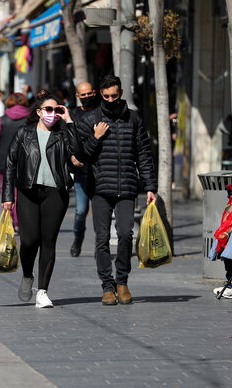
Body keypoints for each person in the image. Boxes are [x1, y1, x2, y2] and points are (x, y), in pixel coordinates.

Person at [75, 75, 157, 306]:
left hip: (127, 186)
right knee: (101, 238)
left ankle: (122, 281)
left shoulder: (133, 118)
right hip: (100, 186)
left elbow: (143, 153)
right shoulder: (90, 119)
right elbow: (81, 157)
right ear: (100, 94)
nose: (111, 99)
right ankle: (107, 286)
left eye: (114, 95)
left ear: (120, 93)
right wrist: (95, 137)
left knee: (124, 234)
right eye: (106, 96)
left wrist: (150, 186)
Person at [2, 92, 77, 308]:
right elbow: (10, 164)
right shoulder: (24, 133)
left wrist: (69, 121)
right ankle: (27, 275)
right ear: (39, 112)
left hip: (56, 193)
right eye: (48, 109)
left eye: (57, 110)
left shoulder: (63, 134)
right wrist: (8, 196)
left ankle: (43, 291)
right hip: (28, 191)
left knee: (48, 241)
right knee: (29, 240)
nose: (52, 114)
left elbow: (78, 151)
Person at [69, 81, 100, 257]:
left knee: (99, 213)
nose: (87, 97)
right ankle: (78, 238)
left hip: (99, 171)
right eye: (84, 94)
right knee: (81, 211)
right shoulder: (73, 116)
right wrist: (72, 159)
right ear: (77, 97)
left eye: (90, 93)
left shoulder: (101, 113)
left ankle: (99, 244)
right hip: (81, 172)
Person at [0, 92, 30, 228]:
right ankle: (21, 220)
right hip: (26, 160)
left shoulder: (3, 119)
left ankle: (11, 221)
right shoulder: (31, 119)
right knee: (22, 192)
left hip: (5, 159)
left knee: (6, 190)